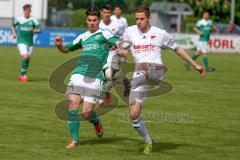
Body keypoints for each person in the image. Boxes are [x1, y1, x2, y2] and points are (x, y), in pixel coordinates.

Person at [123, 5, 204, 155]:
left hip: (156, 71)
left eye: (142, 19)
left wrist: (195, 65)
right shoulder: (129, 32)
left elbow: (177, 49)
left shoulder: (160, 33)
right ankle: (149, 141)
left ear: (149, 18)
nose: (139, 22)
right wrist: (119, 52)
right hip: (140, 76)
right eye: (137, 19)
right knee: (134, 115)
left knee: (144, 66)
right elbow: (123, 49)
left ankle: (128, 83)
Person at [55, 6, 128, 149]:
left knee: (87, 113)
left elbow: (116, 40)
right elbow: (66, 50)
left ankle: (96, 122)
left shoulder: (104, 33)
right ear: (86, 21)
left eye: (95, 20)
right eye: (89, 20)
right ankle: (75, 141)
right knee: (73, 104)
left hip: (95, 77)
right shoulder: (82, 37)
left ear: (99, 20)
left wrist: (119, 47)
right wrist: (59, 45)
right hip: (78, 74)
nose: (92, 22)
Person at [12, 4, 41, 82]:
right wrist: (14, 33)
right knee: (26, 56)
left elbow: (40, 30)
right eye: (26, 11)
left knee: (27, 59)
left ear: (30, 11)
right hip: (21, 41)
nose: (27, 12)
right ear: (24, 11)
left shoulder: (34, 20)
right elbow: (13, 26)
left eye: (29, 11)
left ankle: (22, 74)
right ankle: (23, 76)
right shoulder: (18, 19)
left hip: (30, 43)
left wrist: (34, 30)